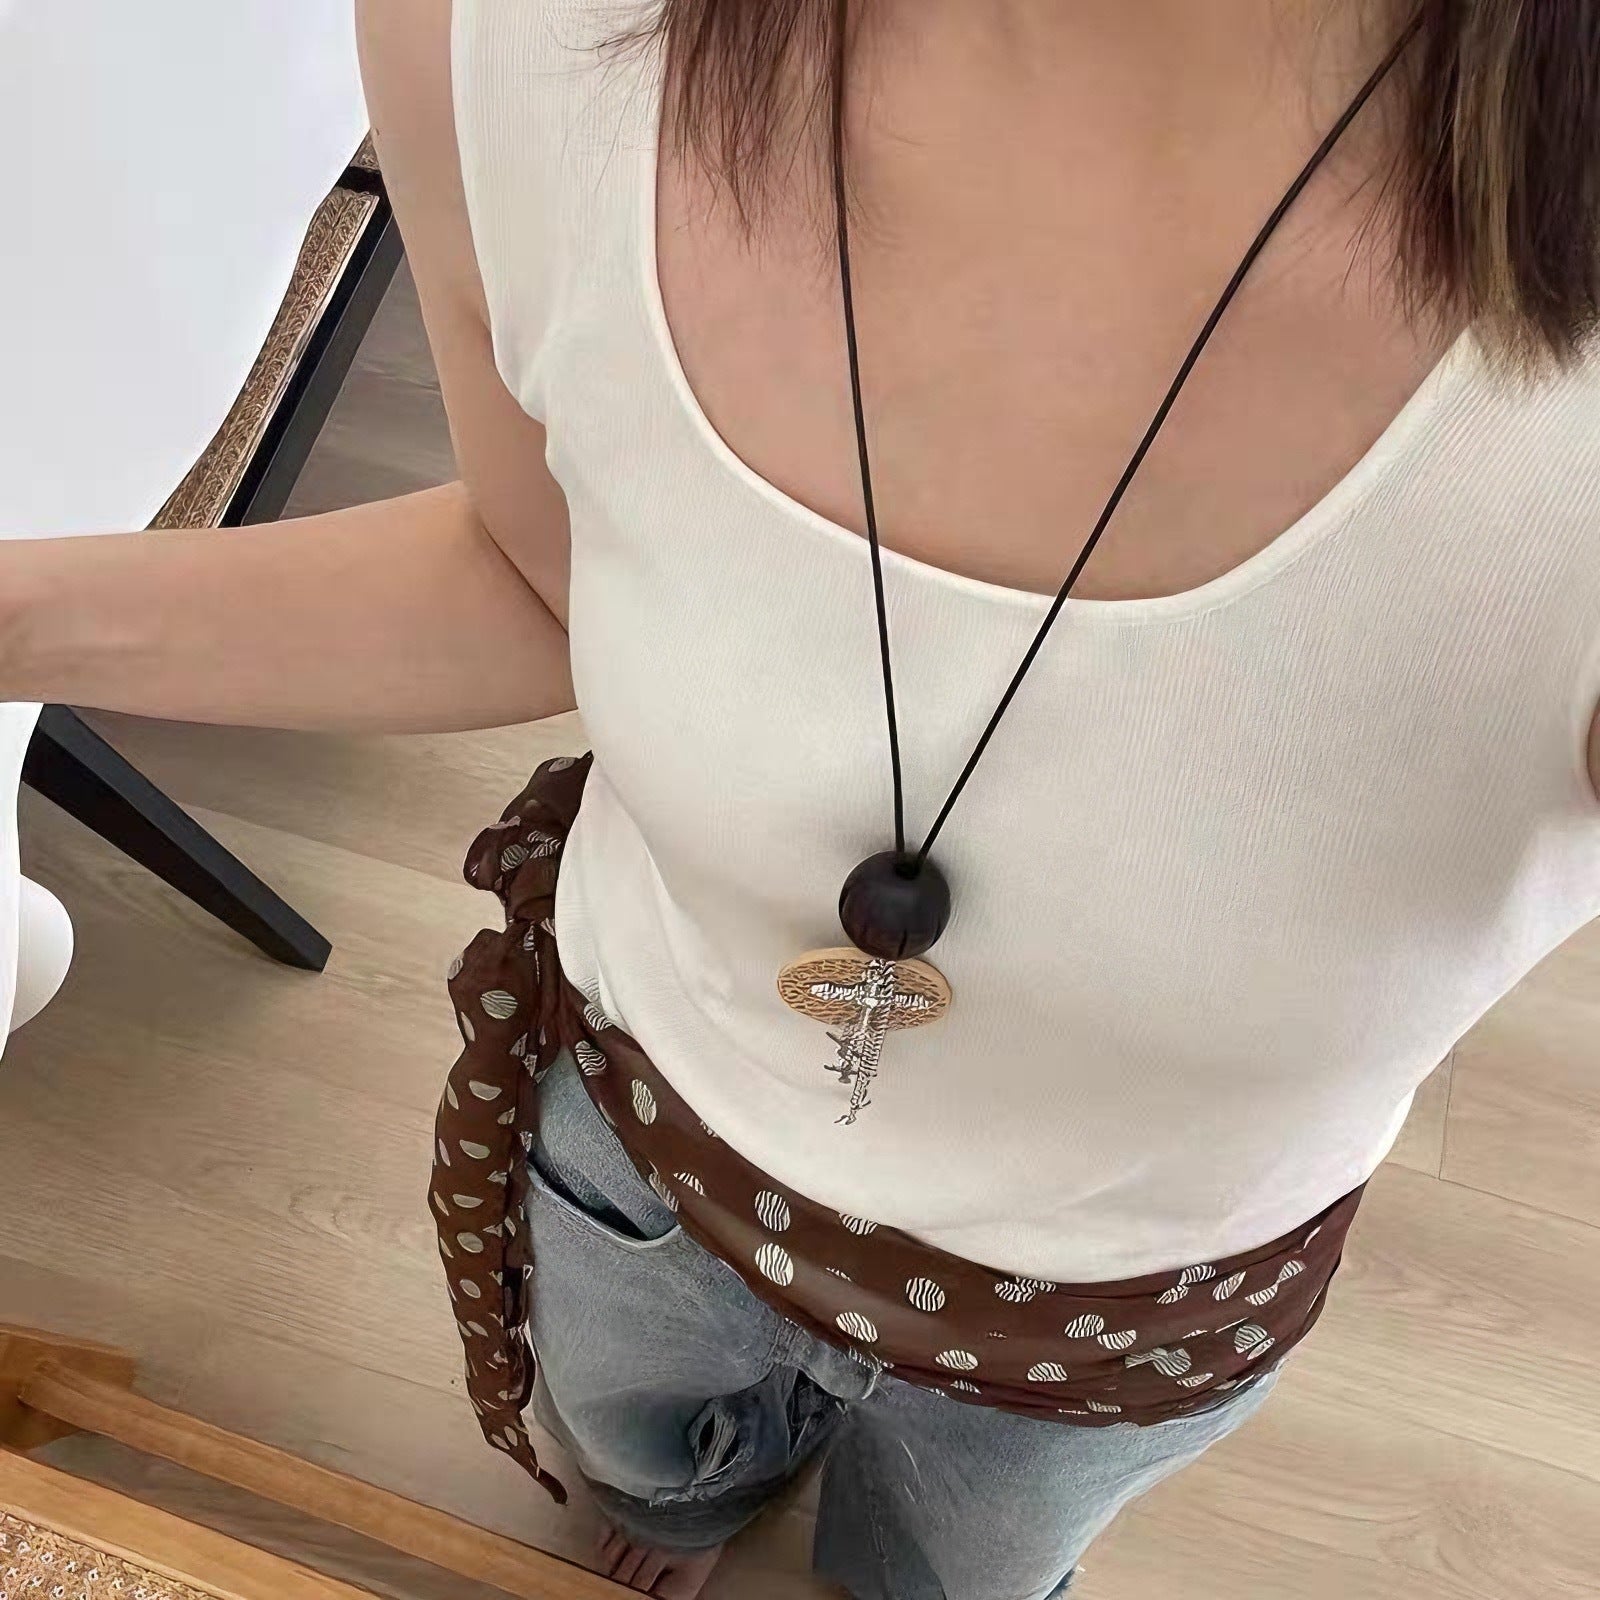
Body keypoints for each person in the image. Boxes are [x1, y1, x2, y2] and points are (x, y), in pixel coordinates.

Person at [4, 1, 1599, 1595]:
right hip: (646, 1136)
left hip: (1110, 1320)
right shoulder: (504, 33)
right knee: (640, 1456)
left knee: (945, 1575)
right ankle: (681, 1509)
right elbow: (535, 565)